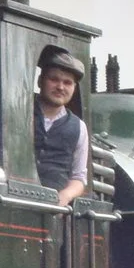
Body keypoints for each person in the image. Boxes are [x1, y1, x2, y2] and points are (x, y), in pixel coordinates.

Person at [34, 48, 90, 207]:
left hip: (54, 208)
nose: (60, 87)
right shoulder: (19, 110)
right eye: (54, 79)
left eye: (67, 82)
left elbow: (79, 177)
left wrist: (65, 195)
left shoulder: (79, 127)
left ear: (74, 88)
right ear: (40, 81)